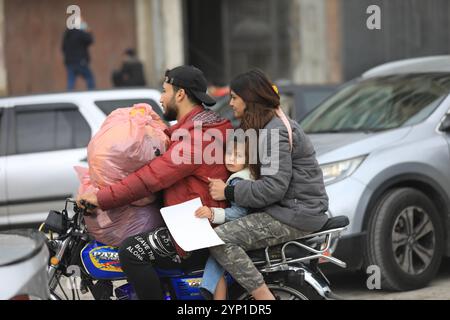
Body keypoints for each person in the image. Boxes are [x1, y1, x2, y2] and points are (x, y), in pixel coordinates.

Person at [77, 65, 233, 300]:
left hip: (198, 228)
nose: (161, 98)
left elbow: (150, 178)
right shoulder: (193, 129)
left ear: (180, 95)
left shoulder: (197, 137)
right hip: (190, 217)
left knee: (130, 252)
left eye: (165, 91)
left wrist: (101, 198)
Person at [207, 69, 329, 300]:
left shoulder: (275, 131)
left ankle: (264, 298)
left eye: (234, 97)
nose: (231, 103)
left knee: (219, 239)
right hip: (291, 209)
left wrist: (229, 190)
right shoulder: (269, 126)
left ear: (249, 99)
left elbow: (273, 188)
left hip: (295, 214)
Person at [195, 138, 253, 300]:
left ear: (248, 159)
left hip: (245, 230)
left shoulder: (238, 180)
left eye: (239, 155)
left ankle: (208, 287)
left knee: (217, 252)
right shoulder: (248, 175)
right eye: (229, 154)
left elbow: (240, 213)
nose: (232, 159)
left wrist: (213, 213)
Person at [62, 17, 95, 90]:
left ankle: (69, 96)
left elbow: (63, 48)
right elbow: (90, 40)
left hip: (70, 62)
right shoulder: (80, 33)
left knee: (71, 81)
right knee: (90, 78)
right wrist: (88, 31)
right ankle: (92, 94)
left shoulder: (67, 34)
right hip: (80, 61)